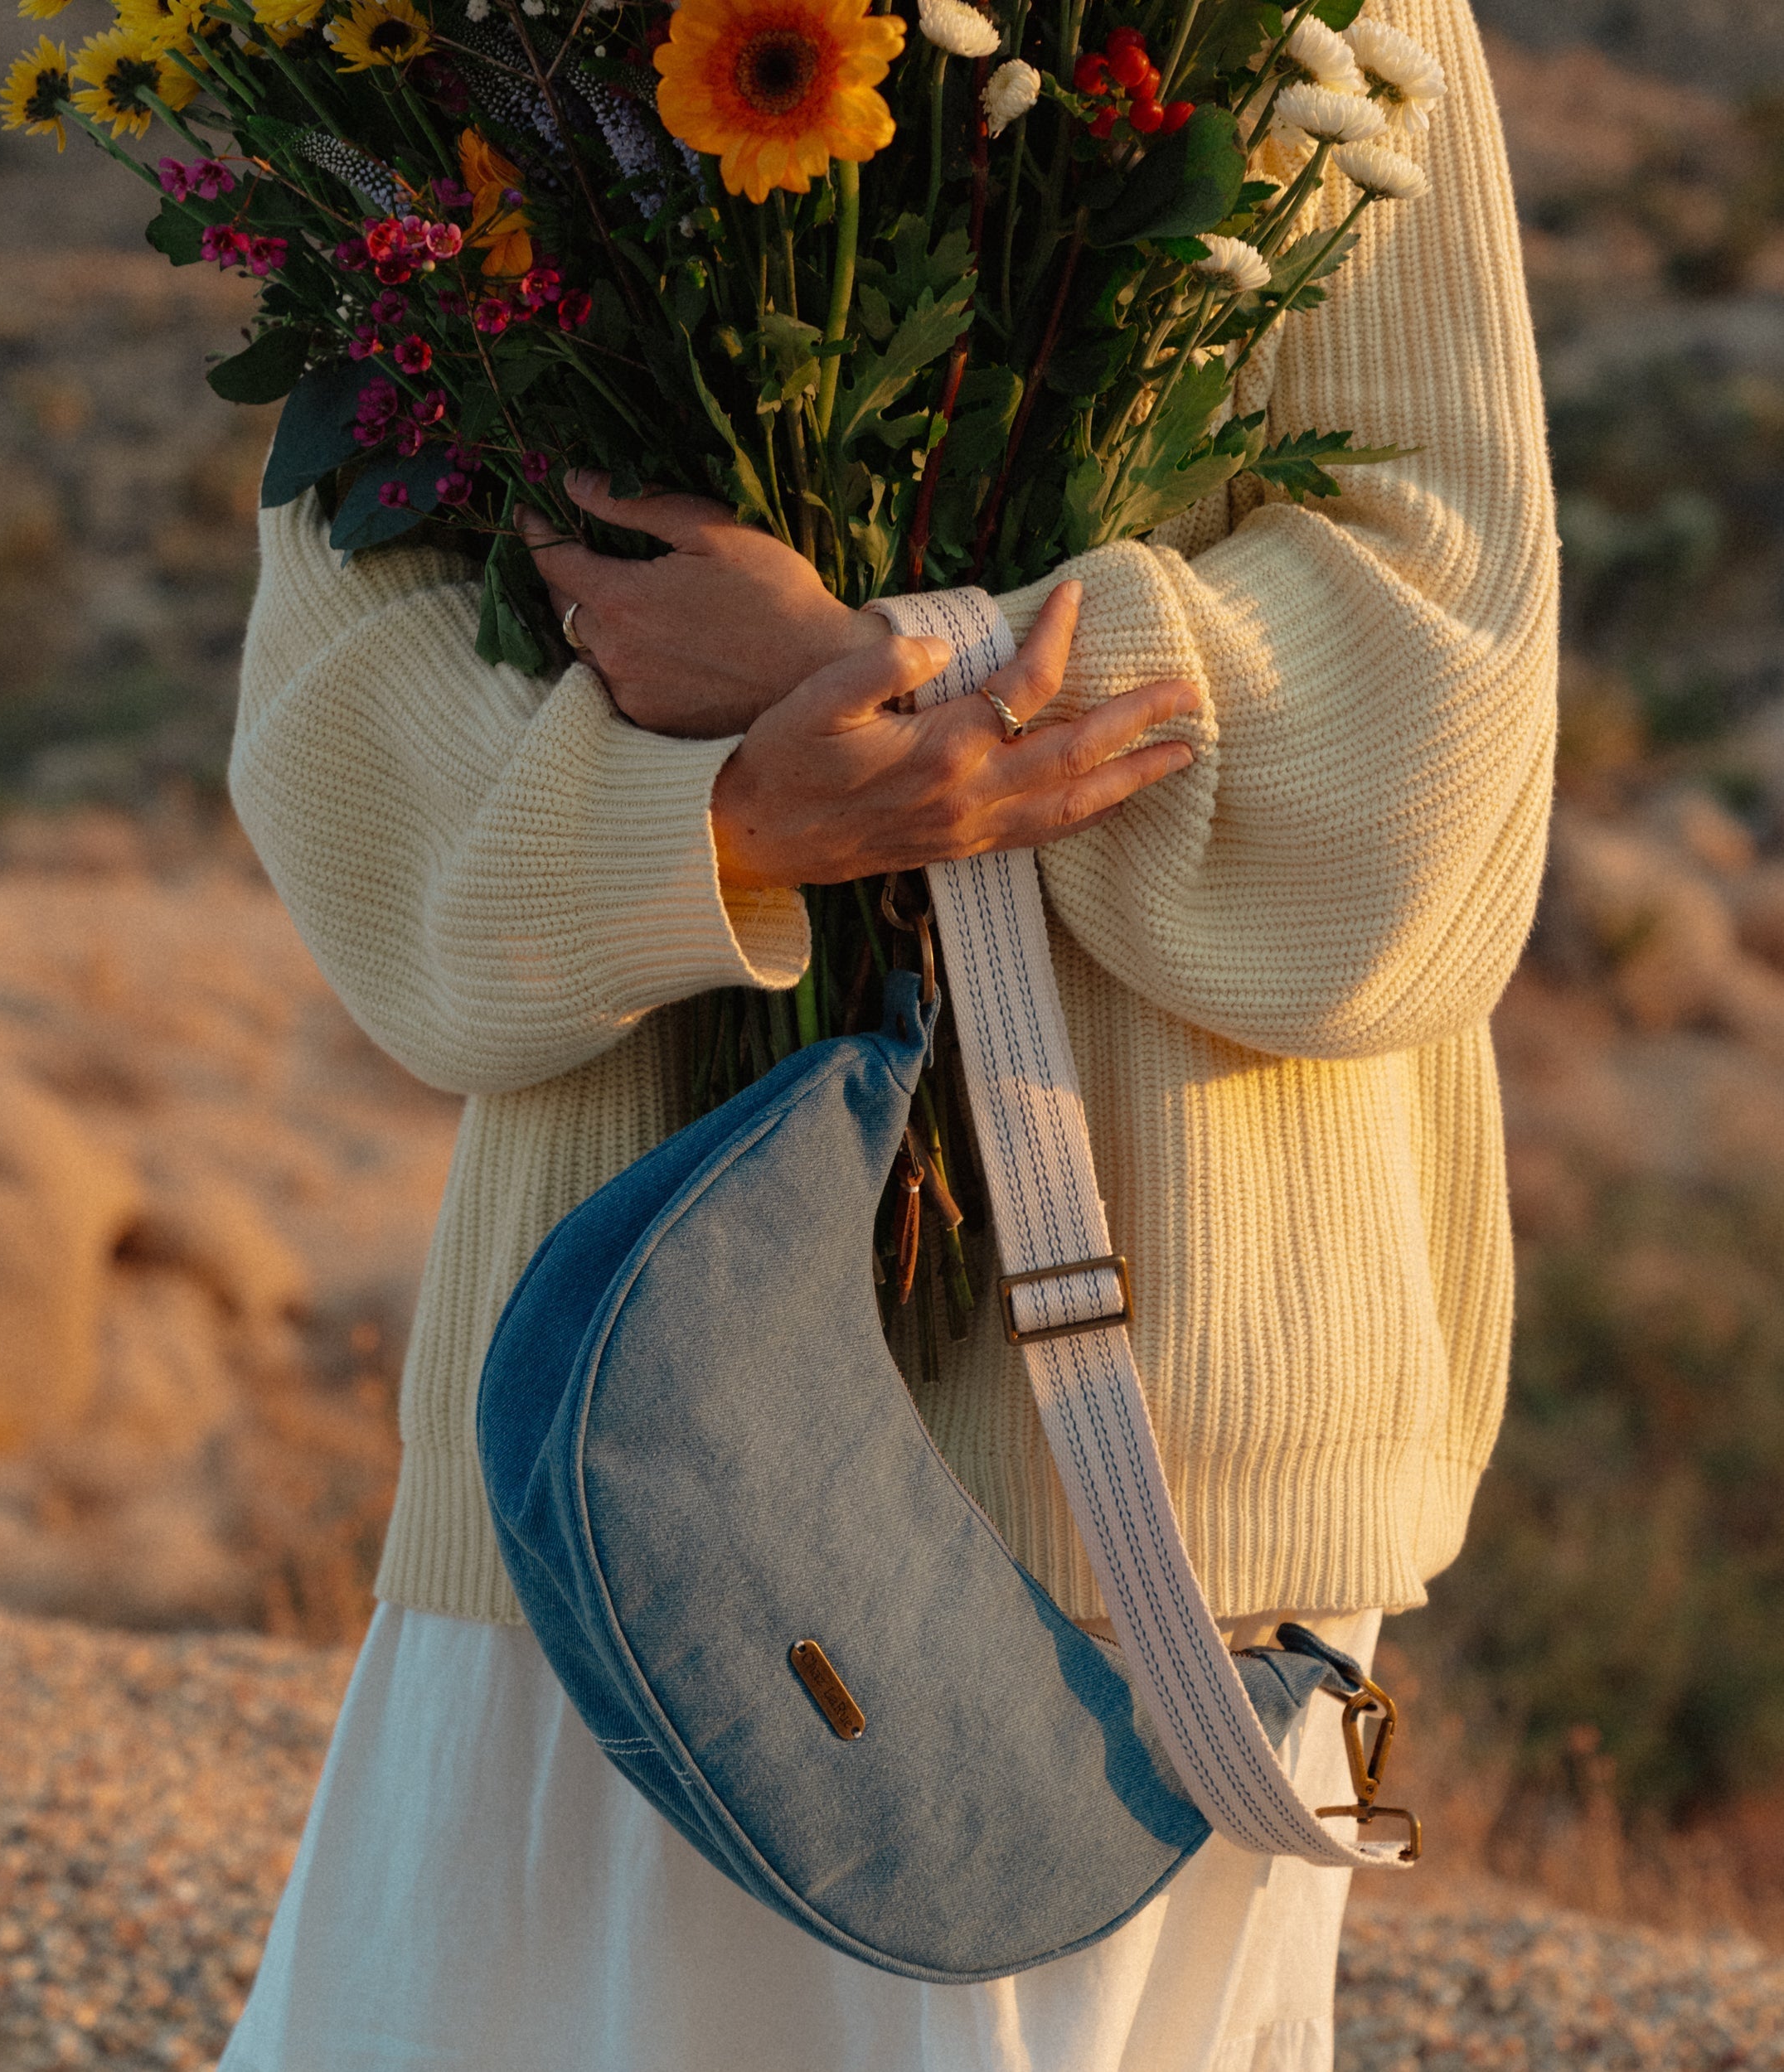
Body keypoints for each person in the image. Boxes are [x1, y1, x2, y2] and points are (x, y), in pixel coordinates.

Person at [216, 0, 1555, 2061]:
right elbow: (344, 690)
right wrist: (724, 819)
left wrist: (931, 674)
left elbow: (1440, 675)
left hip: (1161, 1427)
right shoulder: (446, 27)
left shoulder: (1322, 27)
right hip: (618, 1411)